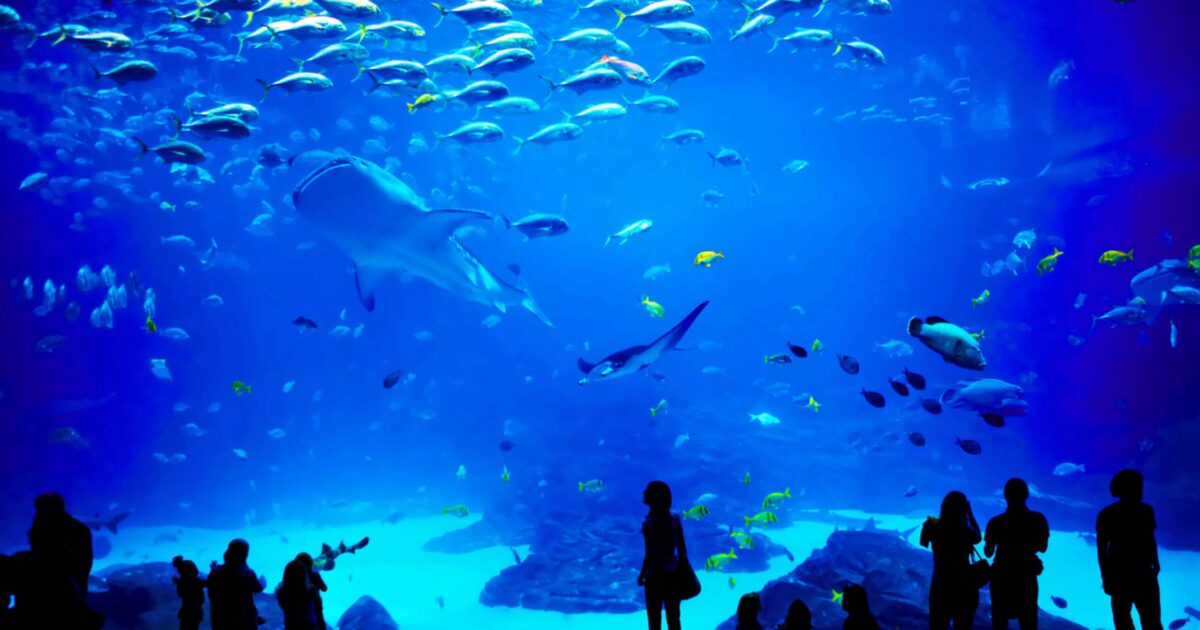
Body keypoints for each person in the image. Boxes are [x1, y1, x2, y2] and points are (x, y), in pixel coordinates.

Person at [24, 492, 103, 628]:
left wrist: (80, 585)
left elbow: (84, 561)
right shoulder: (40, 526)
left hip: (64, 584)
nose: (37, 513)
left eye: (40, 509)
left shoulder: (68, 528)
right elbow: (86, 561)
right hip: (50, 585)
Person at [1097, 469, 1162, 630]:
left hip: (1122, 573)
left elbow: (1102, 550)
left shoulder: (1106, 514)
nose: (1141, 491)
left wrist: (1106, 577)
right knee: (1149, 620)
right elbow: (1150, 539)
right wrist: (1155, 562)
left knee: (1123, 619)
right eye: (1138, 487)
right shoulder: (1145, 511)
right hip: (1139, 573)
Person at [984, 478, 1049, 630]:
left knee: (999, 623)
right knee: (1028, 622)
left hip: (1001, 577)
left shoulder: (995, 522)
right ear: (1026, 495)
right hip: (1026, 577)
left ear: (1005, 496)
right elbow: (1043, 548)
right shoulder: (1038, 519)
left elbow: (988, 552)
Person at [920, 491, 983, 629]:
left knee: (938, 625)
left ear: (943, 506)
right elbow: (978, 536)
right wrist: (970, 514)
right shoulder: (965, 531)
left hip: (940, 584)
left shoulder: (931, 525)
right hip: (964, 585)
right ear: (964, 508)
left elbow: (923, 542)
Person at [637, 480, 688, 630]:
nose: (644, 493)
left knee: (654, 621)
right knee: (674, 619)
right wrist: (684, 569)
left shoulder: (648, 523)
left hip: (654, 577)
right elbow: (682, 548)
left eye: (647, 491)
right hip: (673, 573)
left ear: (655, 497)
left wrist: (642, 574)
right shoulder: (675, 518)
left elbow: (650, 554)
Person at [207, 539, 265, 630]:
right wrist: (263, 581)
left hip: (220, 620)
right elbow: (258, 588)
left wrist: (213, 568)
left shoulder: (215, 572)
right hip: (243, 621)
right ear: (245, 554)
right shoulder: (247, 573)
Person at [172, 555, 207, 630]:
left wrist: (178, 583)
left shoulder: (183, 582)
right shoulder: (196, 581)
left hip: (187, 611)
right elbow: (208, 583)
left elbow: (181, 593)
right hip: (195, 611)